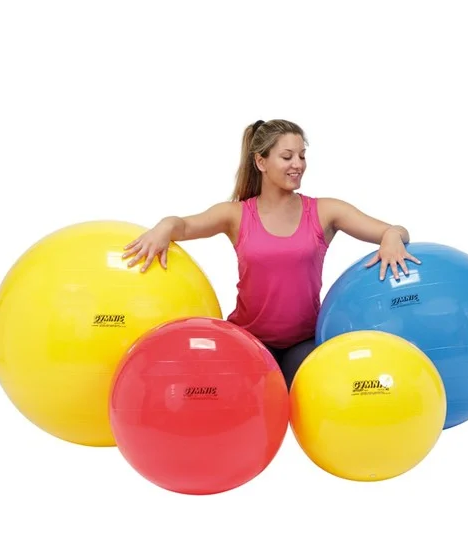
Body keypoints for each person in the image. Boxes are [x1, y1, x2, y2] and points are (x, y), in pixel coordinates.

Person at [122, 119, 421, 389]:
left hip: (303, 342)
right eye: (287, 156)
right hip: (246, 340)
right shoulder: (236, 215)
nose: (298, 164)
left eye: (302, 156)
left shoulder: (325, 211)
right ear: (261, 161)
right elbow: (185, 226)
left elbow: (393, 230)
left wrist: (392, 237)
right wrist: (165, 225)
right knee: (229, 405)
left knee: (317, 398)